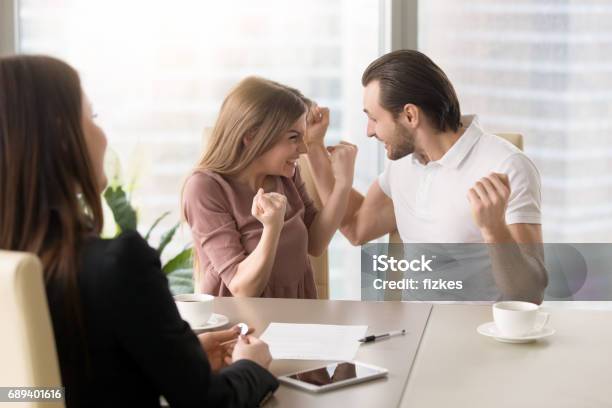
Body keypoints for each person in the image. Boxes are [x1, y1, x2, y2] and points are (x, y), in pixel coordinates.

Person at [0, 55, 278, 407]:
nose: (103, 134)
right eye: (92, 116)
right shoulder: (119, 265)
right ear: (63, 137)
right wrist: (251, 367)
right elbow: (212, 402)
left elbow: (29, 391)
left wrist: (176, 360)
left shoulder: (15, 267)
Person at [305, 50, 547, 303]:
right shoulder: (402, 165)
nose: (369, 131)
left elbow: (529, 295)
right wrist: (314, 146)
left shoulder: (507, 166)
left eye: (374, 118)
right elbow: (356, 226)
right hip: (411, 331)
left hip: (478, 335)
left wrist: (494, 229)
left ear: (410, 115)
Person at [182, 76, 357, 298]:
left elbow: (316, 243)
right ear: (251, 136)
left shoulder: (285, 175)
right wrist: (272, 228)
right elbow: (242, 288)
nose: (303, 149)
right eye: (294, 137)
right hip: (242, 325)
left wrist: (343, 184)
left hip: (296, 317)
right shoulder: (204, 188)